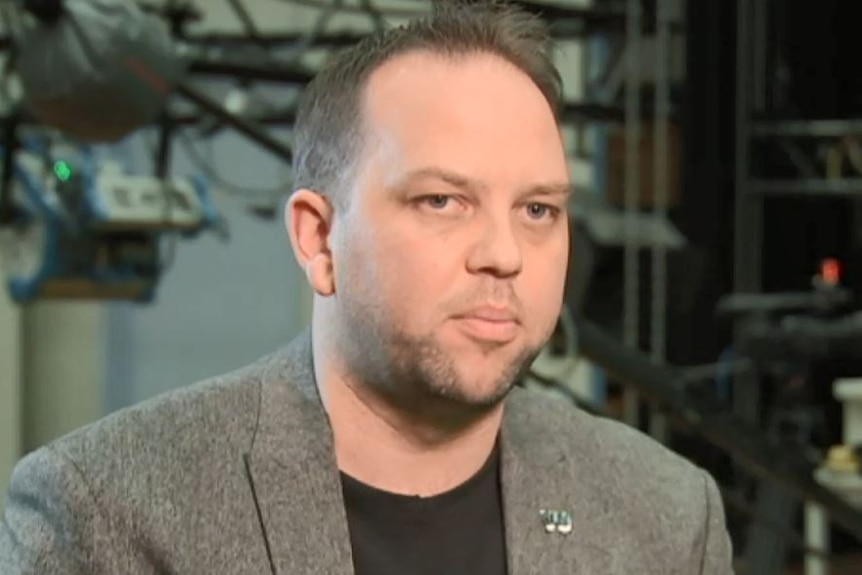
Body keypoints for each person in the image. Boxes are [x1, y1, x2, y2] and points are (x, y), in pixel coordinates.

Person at [0, 1, 735, 573]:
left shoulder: (666, 510)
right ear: (318, 238)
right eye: (443, 201)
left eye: (537, 209)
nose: (505, 254)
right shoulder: (108, 508)